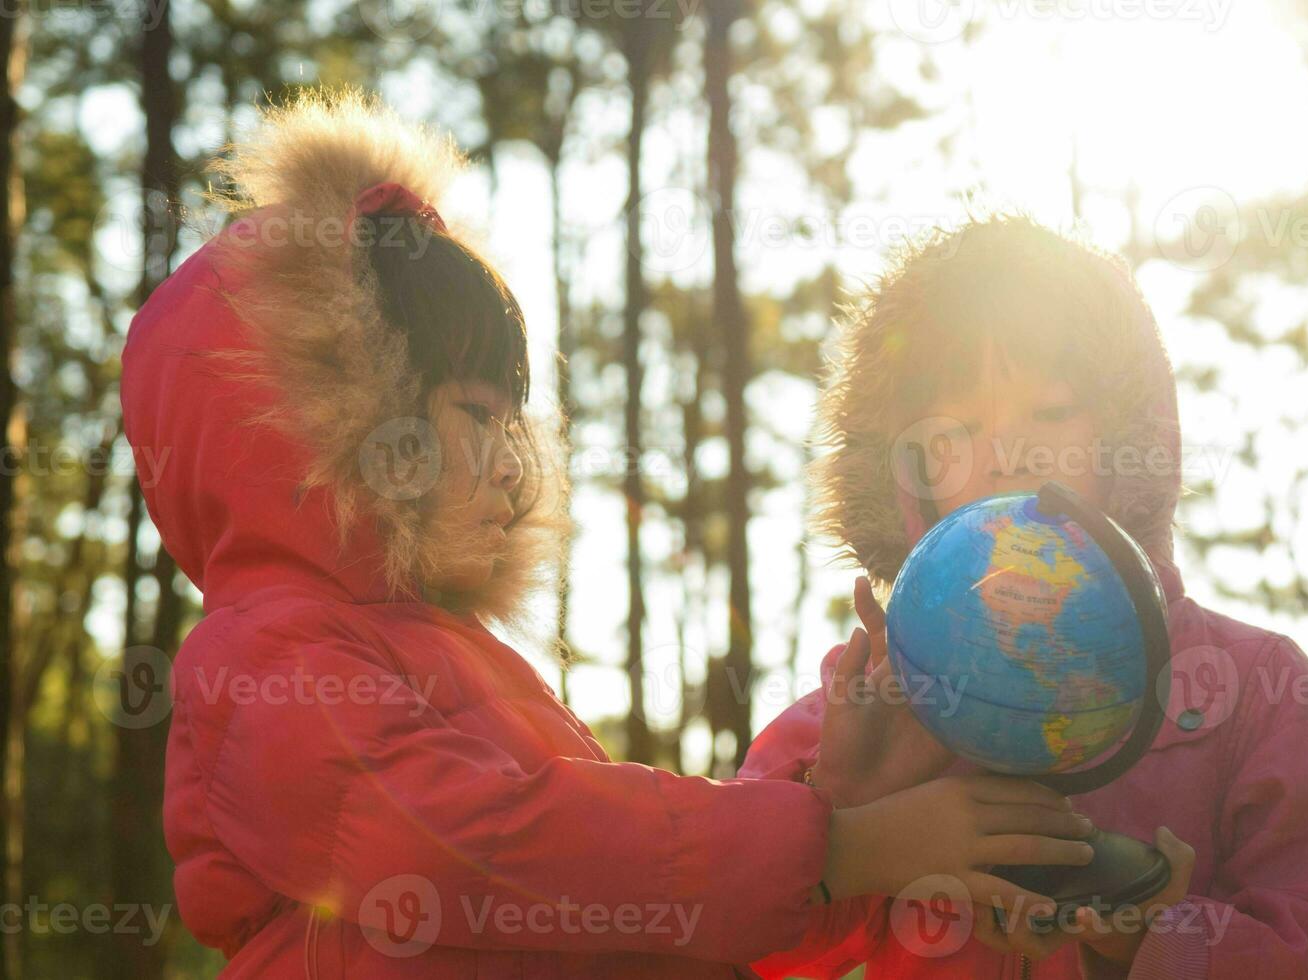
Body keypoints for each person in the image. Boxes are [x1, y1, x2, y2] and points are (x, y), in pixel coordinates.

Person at [121, 89, 1098, 978]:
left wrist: (851, 814)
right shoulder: (268, 654)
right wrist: (839, 845)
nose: (512, 462)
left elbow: (664, 909)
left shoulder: (474, 671)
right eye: (471, 413)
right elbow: (460, 846)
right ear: (331, 419)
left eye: (516, 420)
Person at [740, 214, 1308, 978]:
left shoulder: (1256, 691)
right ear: (908, 470)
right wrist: (845, 812)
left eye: (1049, 413)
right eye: (957, 431)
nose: (1007, 455)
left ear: (1124, 441)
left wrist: (1155, 939)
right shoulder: (856, 711)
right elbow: (751, 943)